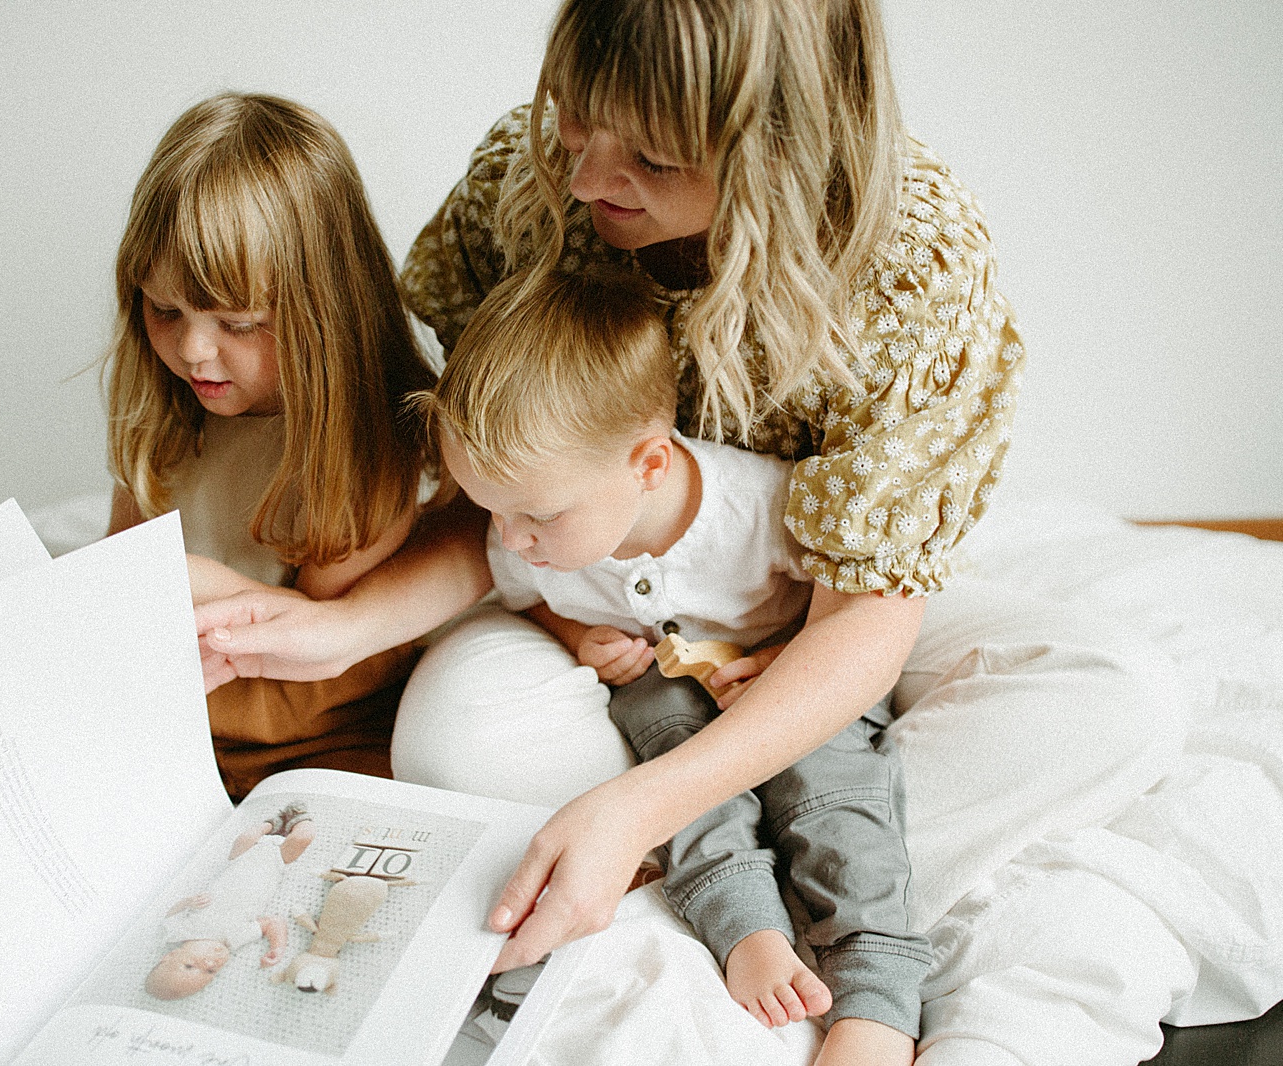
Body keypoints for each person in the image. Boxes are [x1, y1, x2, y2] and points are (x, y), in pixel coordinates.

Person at [198, 4, 1161, 1061]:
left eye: (651, 156)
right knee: (450, 740)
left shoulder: (910, 267)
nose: (584, 181)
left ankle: (714, 891)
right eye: (573, 126)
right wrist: (334, 630)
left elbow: (864, 611)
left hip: (801, 617)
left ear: (786, 146)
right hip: (589, 611)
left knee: (1114, 698)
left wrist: (640, 803)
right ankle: (715, 869)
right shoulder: (525, 191)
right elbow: (497, 514)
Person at [411, 267, 929, 1054]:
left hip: (789, 686)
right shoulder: (534, 536)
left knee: (835, 804)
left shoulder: (762, 507)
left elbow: (858, 604)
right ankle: (744, 924)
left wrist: (787, 653)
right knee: (675, 783)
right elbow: (522, 590)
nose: (511, 540)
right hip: (669, 693)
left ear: (648, 466)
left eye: (536, 517)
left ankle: (875, 999)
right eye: (493, 513)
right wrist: (572, 633)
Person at [101, 93, 441, 798]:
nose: (195, 351)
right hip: (173, 723)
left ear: (325, 312)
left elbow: (308, 663)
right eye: (166, 310)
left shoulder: (371, 443)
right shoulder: (166, 413)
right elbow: (117, 579)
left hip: (321, 735)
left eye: (238, 322)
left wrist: (176, 587)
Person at [144, 804, 315, 1000]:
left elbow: (170, 913)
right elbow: (273, 923)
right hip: (274, 864)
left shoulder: (179, 932)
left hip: (238, 859)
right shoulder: (233, 938)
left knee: (246, 838)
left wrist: (188, 902)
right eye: (210, 973)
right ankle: (298, 817)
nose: (210, 964)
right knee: (303, 838)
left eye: (190, 966)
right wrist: (277, 947)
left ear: (170, 956)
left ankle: (272, 824)